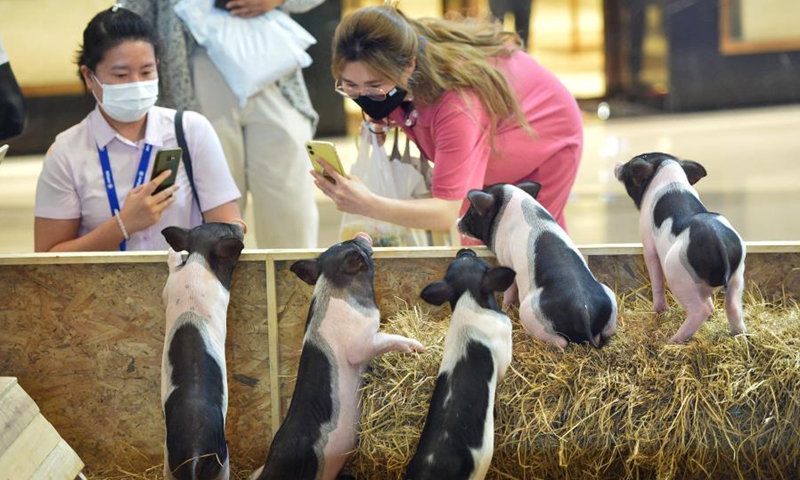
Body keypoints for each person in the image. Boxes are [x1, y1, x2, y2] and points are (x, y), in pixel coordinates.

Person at [314, 5, 583, 239]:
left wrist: (369, 204)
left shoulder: (457, 104)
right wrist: (386, 112)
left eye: (375, 86)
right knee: (478, 244)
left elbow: (449, 212)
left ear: (408, 67)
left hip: (545, 140)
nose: (364, 97)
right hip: (489, 133)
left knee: (525, 242)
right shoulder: (405, 51)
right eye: (350, 86)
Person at [34, 6, 242, 252]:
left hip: (188, 286)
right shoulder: (67, 152)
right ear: (89, 76)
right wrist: (123, 225)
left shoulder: (191, 131)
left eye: (146, 71)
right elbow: (48, 259)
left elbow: (228, 225)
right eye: (121, 75)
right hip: (101, 289)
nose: (136, 84)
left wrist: (231, 232)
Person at [123, 0, 323, 249]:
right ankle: (221, 286)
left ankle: (294, 285)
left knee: (289, 208)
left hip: (271, 64)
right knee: (217, 217)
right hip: (192, 67)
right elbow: (133, 10)